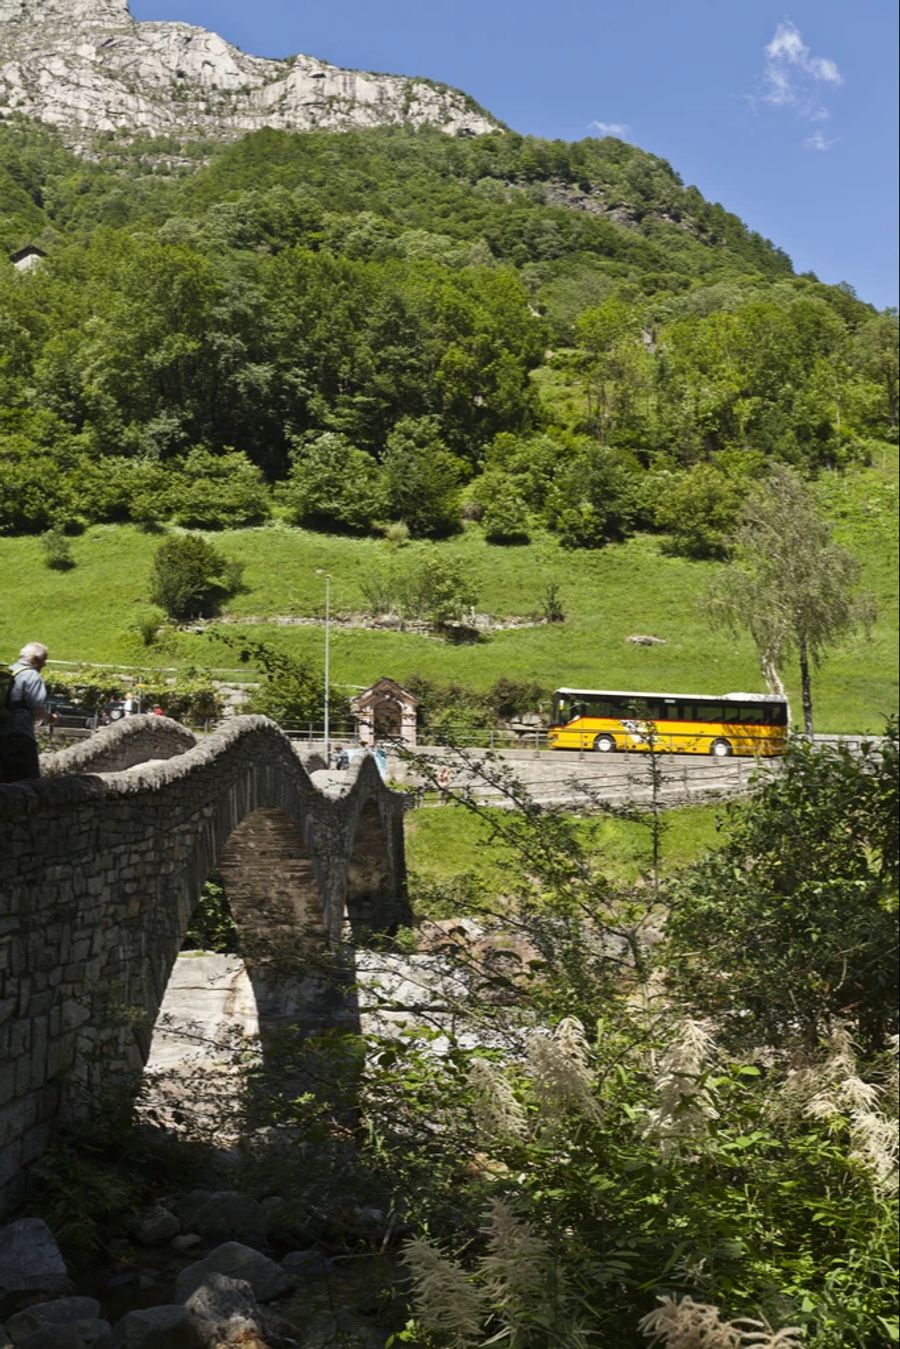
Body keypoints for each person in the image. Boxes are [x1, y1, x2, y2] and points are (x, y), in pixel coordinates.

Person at [0, 642, 58, 783]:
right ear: (35, 660)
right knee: (27, 781)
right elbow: (37, 710)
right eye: (43, 660)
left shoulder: (8, 672)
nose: (44, 665)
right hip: (19, 734)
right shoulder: (32, 676)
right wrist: (50, 718)